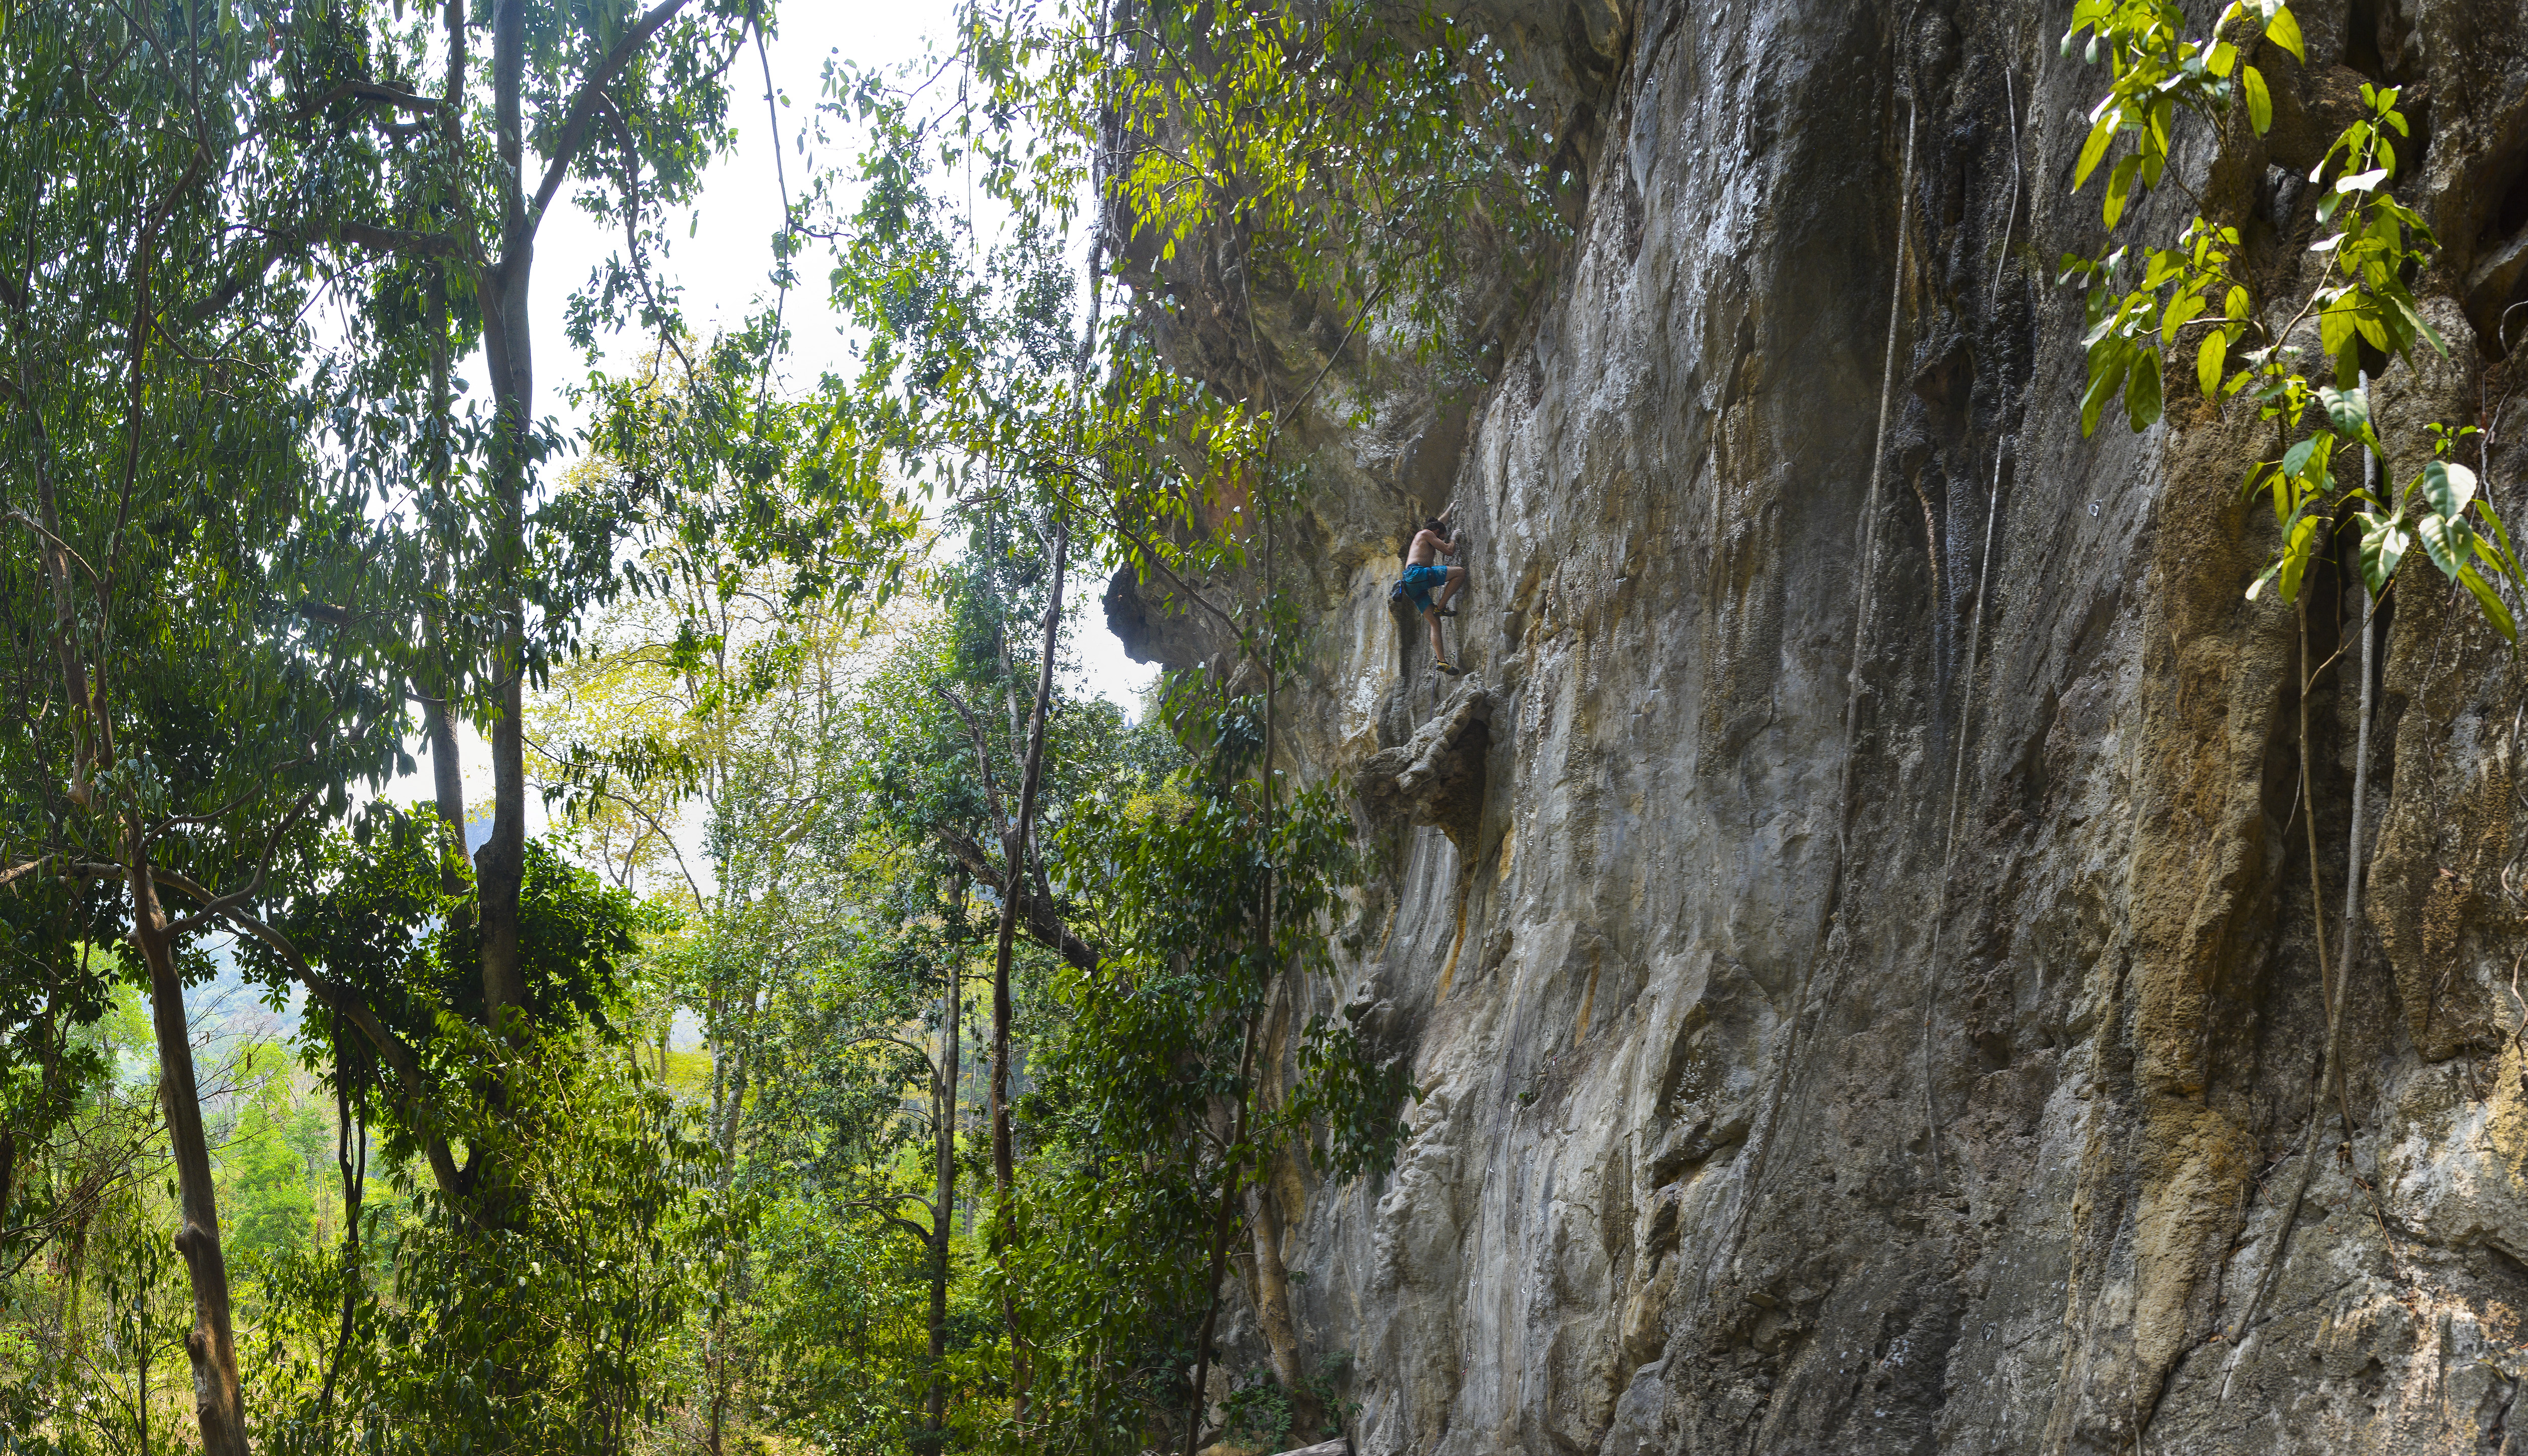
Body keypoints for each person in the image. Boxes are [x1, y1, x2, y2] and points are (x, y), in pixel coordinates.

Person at [1401, 517, 1467, 673]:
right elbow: (1449, 551)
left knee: (1435, 623)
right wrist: (1452, 538)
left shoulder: (1425, 534)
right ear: (1436, 532)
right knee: (1460, 573)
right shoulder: (1426, 533)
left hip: (1411, 586)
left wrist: (1451, 507)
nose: (1441, 541)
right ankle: (1441, 607)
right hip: (1416, 574)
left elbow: (1439, 521)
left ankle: (1442, 661)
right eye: (1441, 537)